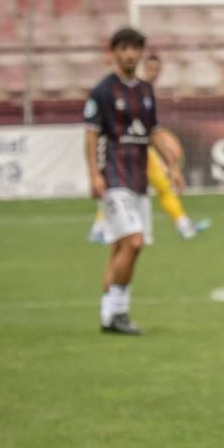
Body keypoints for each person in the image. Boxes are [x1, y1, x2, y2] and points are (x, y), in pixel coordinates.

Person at [86, 53, 209, 245]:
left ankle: (183, 225)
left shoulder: (145, 89)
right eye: (151, 68)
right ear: (144, 68)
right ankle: (183, 226)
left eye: (157, 69)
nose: (155, 72)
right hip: (133, 151)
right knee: (136, 188)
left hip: (143, 149)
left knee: (142, 188)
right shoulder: (136, 89)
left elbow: (150, 127)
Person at [85, 27, 156, 336]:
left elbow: (152, 133)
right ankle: (118, 312)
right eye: (123, 48)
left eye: (134, 48)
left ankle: (107, 316)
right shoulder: (102, 91)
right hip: (114, 177)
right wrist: (94, 174)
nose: (129, 54)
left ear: (141, 52)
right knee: (135, 242)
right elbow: (90, 134)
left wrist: (171, 166)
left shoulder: (145, 90)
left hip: (139, 179)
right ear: (112, 52)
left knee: (120, 248)